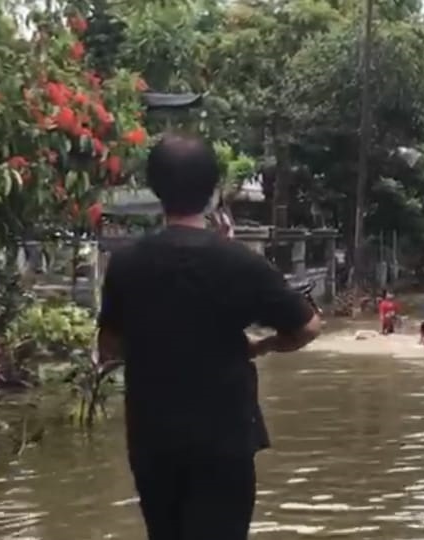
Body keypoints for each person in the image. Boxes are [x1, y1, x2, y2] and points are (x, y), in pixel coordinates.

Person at [95, 133, 322, 540]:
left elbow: (109, 348)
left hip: (153, 438)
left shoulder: (126, 264)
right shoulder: (239, 262)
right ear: (213, 190)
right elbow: (307, 326)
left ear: (156, 188)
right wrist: (262, 346)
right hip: (225, 440)